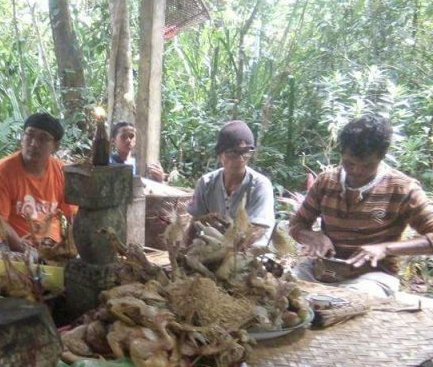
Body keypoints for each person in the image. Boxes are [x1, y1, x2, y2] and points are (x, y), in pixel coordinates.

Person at [289, 114, 433, 298]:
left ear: (381, 157)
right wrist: (312, 236)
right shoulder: (326, 182)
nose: (357, 170)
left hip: (372, 277)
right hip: (322, 270)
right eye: (349, 163)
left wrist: (385, 249)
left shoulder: (403, 188)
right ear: (341, 153)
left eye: (367, 165)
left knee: (347, 301)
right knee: (281, 292)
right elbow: (296, 225)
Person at [0, 112, 76, 251]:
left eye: (43, 138)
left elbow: (73, 216)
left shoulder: (62, 172)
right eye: (30, 135)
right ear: (22, 137)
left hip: (51, 246)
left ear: (56, 146)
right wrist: (24, 248)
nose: (33, 144)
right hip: (12, 244)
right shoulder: (3, 171)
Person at [185, 120, 275, 246]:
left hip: (249, 254)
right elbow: (195, 223)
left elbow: (256, 231)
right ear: (220, 155)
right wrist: (183, 253)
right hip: (215, 250)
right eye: (233, 153)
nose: (240, 159)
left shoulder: (260, 185)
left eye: (246, 152)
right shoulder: (206, 184)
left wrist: (230, 250)